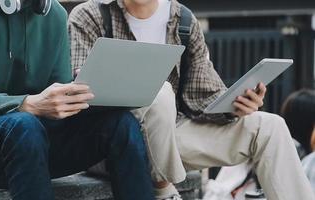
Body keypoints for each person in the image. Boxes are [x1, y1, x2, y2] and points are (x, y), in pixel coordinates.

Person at [68, 0, 315, 199]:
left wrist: (236, 104)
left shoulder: (183, 19)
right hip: (110, 141)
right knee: (160, 90)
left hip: (171, 136)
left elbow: (203, 95)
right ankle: (162, 187)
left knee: (270, 127)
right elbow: (79, 88)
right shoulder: (90, 15)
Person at [0, 0, 155, 200]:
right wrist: (26, 104)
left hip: (26, 149)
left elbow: (58, 101)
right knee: (23, 124)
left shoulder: (54, 15)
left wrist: (85, 89)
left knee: (121, 124)